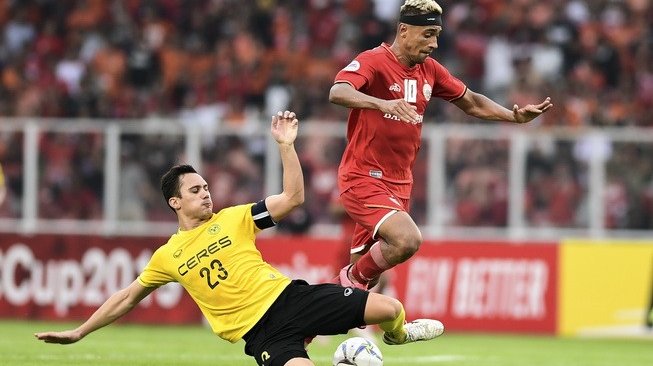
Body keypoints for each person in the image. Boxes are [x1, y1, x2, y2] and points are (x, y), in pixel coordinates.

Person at [34, 111, 445, 366]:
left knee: (391, 307)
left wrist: (286, 147)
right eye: (195, 190)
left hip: (293, 298)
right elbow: (126, 297)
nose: (206, 193)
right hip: (264, 335)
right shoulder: (168, 256)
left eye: (206, 186)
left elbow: (293, 199)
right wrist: (80, 331)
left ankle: (396, 335)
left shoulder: (234, 218)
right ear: (175, 202)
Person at [328, 0, 554, 290]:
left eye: (437, 35)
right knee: (407, 241)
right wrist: (382, 103)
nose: (434, 43)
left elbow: (471, 101)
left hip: (400, 184)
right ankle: (351, 280)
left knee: (369, 285)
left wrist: (512, 116)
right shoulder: (374, 60)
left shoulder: (431, 71)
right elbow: (338, 91)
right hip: (363, 177)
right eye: (427, 34)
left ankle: (313, 322)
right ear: (404, 30)